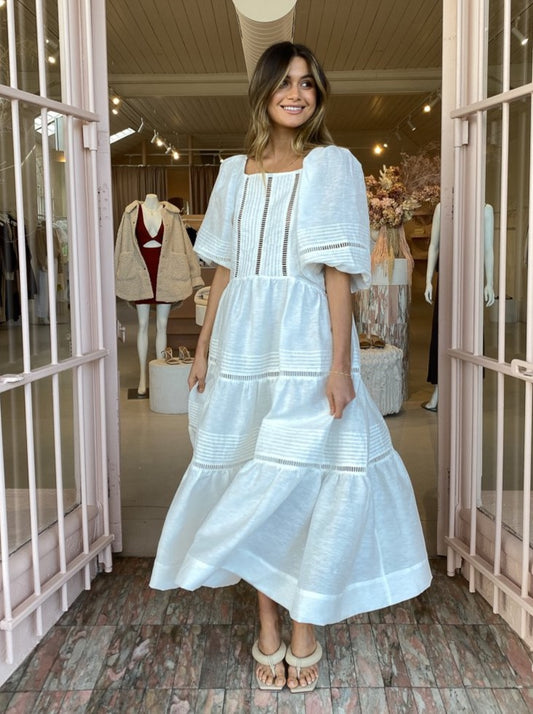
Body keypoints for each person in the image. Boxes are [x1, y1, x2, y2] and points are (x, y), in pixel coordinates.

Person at [150, 42, 431, 693]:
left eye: (308, 83)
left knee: (309, 483)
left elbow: (336, 274)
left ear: (317, 94)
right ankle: (268, 627)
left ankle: (304, 629)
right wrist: (203, 346)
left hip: (305, 344)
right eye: (285, 82)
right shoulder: (231, 173)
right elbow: (223, 271)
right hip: (244, 345)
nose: (297, 93)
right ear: (264, 91)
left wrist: (340, 366)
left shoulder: (331, 165)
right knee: (253, 480)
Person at [114, 193, 203, 396]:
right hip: (139, 272)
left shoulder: (172, 214)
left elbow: (186, 246)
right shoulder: (131, 213)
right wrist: (115, 275)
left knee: (162, 325)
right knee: (143, 325)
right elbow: (120, 245)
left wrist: (195, 275)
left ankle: (160, 373)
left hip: (166, 273)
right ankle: (143, 377)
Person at [423, 202, 495, 411]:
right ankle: (439, 388)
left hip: (471, 279)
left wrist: (489, 283)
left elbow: (488, 249)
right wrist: (428, 280)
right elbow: (434, 245)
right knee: (442, 332)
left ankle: (470, 391)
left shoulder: (484, 210)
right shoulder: (443, 207)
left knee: (471, 333)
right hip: (447, 277)